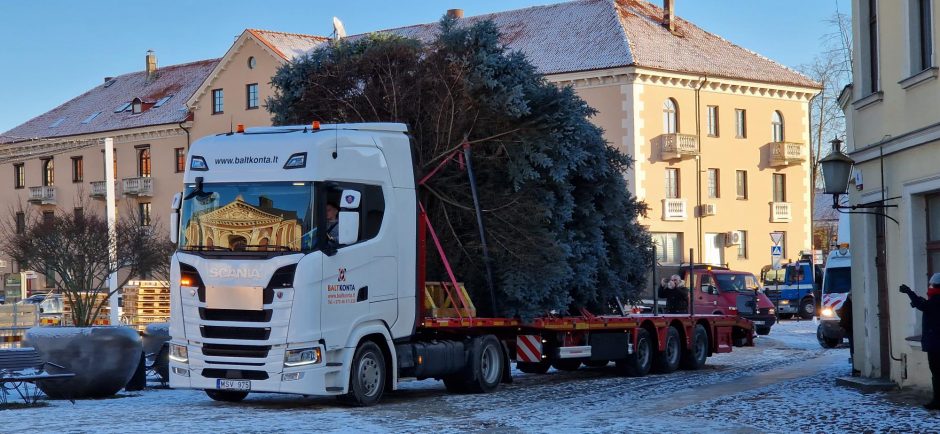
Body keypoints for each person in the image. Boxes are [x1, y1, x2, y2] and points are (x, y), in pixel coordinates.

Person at [900, 274, 940, 410]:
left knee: (937, 373)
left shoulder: (936, 300)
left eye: (931, 285)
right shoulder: (934, 301)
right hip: (935, 342)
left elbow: (921, 304)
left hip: (936, 344)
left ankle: (938, 401)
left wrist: (909, 292)